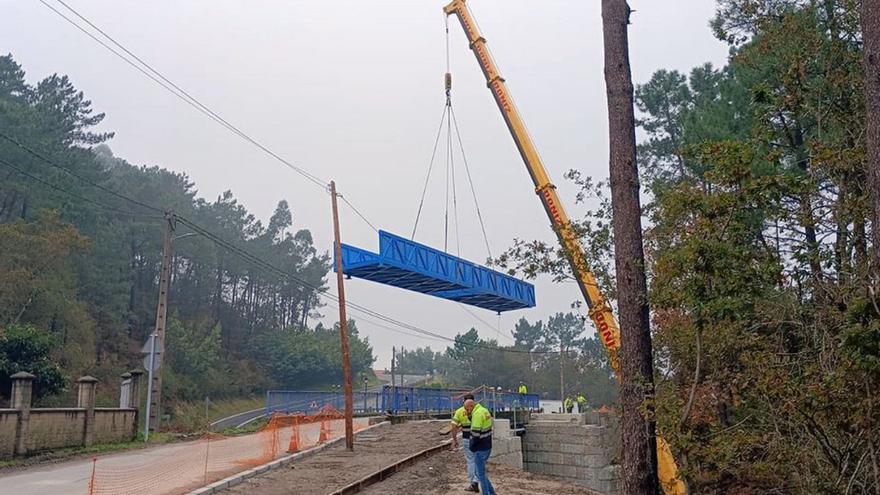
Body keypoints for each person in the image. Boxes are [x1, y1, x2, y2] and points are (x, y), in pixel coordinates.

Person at [467, 398, 496, 495]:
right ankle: (492, 492)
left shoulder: (477, 414)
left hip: (480, 447)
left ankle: (486, 493)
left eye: (467, 409)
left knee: (480, 474)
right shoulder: (484, 410)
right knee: (481, 473)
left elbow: (475, 434)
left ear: (471, 406)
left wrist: (471, 447)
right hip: (487, 445)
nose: (467, 412)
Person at [451, 393, 479, 492]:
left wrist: (455, 440)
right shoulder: (478, 410)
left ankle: (473, 483)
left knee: (470, 460)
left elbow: (453, 426)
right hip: (479, 439)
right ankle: (478, 479)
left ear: (464, 401)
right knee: (478, 460)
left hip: (467, 439)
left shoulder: (459, 411)